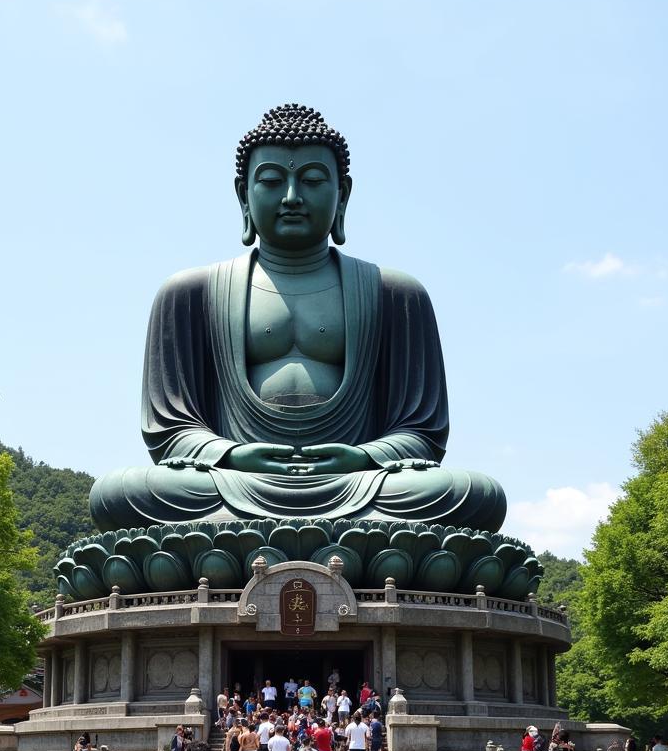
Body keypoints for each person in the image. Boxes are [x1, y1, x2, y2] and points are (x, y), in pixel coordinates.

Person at [87, 104, 508, 535]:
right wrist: (228, 455)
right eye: (271, 181)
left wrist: (365, 457)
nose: (291, 197)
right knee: (118, 494)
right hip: (232, 483)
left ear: (342, 194)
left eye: (311, 181)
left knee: (472, 495)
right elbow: (171, 428)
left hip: (358, 484)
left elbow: (422, 430)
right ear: (243, 194)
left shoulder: (396, 293)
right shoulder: (190, 292)